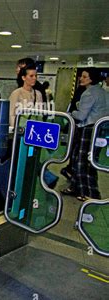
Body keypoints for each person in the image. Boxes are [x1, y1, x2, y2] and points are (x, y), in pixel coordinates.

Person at [61, 68, 109, 201]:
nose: (81, 79)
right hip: (100, 130)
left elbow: (81, 115)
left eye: (84, 76)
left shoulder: (89, 93)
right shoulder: (104, 93)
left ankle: (86, 192)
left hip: (87, 129)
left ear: (91, 79)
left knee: (81, 162)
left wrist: (71, 113)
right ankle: (79, 188)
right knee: (90, 161)